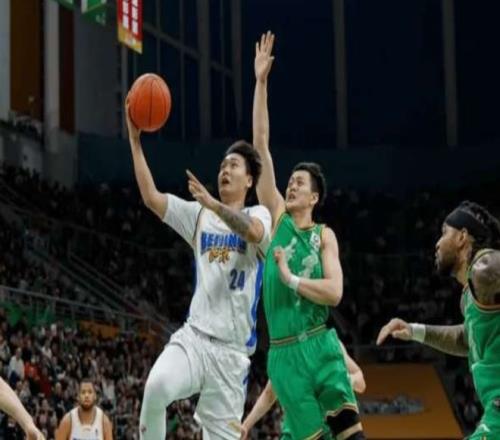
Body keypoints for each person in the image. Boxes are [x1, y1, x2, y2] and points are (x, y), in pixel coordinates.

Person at [125, 95, 272, 439]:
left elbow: (253, 233)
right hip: (195, 338)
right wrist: (135, 140)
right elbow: (151, 198)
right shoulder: (199, 215)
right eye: (222, 166)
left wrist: (214, 204)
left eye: (233, 165)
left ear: (250, 180)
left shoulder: (259, 214)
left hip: (232, 355)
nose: (225, 170)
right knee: (156, 387)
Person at [252, 31, 365, 440]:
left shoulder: (324, 235)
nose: (291, 185)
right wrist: (261, 83)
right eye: (291, 181)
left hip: (319, 343)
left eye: (299, 183)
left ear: (314, 197)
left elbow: (334, 292)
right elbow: (260, 146)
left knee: (350, 433)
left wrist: (292, 279)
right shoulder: (277, 217)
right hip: (283, 353)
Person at [377, 201, 500, 439]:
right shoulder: (469, 296)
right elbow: (466, 339)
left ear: (462, 237)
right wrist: (414, 330)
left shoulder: (485, 268)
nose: (437, 243)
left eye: (444, 233)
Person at [241, 338, 366, 439]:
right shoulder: (286, 354)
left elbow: (360, 381)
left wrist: (346, 381)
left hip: (330, 430)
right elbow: (269, 394)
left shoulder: (330, 344)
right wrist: (246, 426)